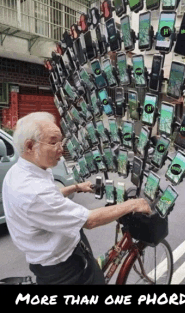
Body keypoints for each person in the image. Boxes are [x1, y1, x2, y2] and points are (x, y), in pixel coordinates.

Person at [2, 112, 152, 285]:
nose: (61, 148)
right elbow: (90, 221)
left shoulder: (22, 170)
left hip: (63, 252)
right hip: (67, 270)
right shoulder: (33, 191)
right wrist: (133, 204)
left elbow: (49, 200)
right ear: (29, 146)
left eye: (61, 141)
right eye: (53, 142)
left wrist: (75, 187)